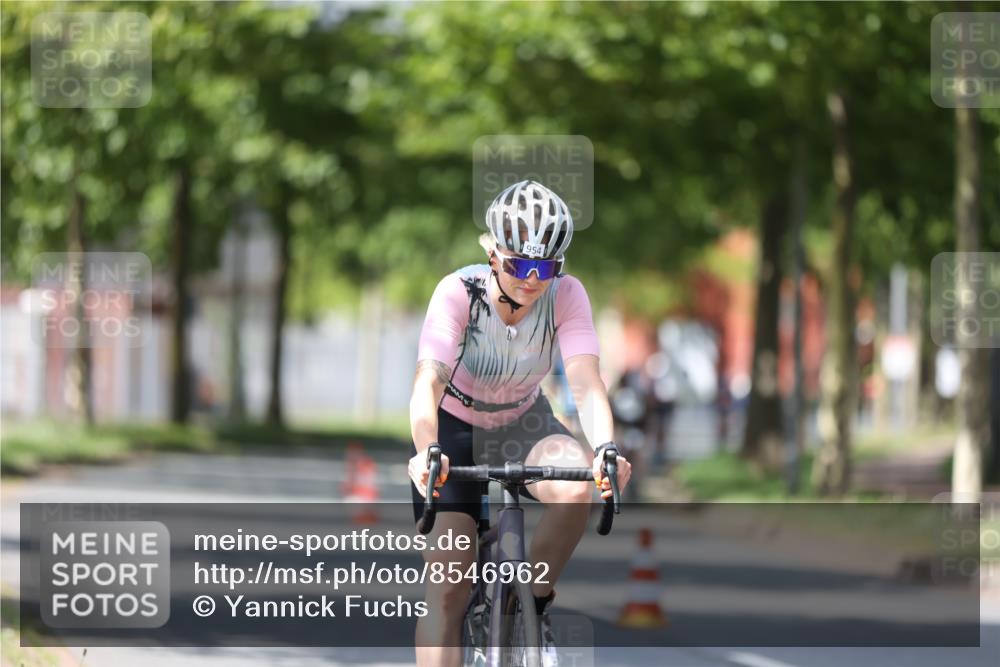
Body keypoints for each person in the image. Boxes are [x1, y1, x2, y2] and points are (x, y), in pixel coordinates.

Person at [407, 180, 631, 667]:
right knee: (448, 585)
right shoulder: (458, 293)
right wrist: (427, 450)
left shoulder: (567, 296)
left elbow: (586, 382)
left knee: (576, 488)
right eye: (518, 265)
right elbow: (427, 384)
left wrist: (605, 448)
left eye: (545, 268)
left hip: (523, 421)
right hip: (454, 425)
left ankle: (533, 597)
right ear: (491, 253)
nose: (531, 279)